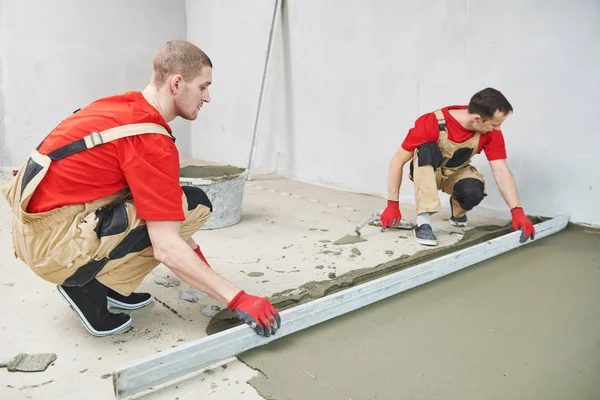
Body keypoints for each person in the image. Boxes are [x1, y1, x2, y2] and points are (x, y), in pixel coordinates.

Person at [1, 40, 280, 337]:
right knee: (195, 204)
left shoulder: (122, 106)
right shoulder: (150, 141)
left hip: (30, 232)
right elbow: (167, 246)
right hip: (52, 248)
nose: (207, 97)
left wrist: (204, 269)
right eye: (203, 86)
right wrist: (236, 297)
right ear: (176, 83)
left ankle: (105, 282)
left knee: (170, 204)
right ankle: (87, 290)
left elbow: (161, 208)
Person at [381, 87, 535, 246]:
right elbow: (397, 161)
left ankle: (457, 210)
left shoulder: (490, 132)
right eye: (495, 124)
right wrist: (392, 205)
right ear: (477, 119)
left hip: (456, 173)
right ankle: (423, 223)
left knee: (474, 190)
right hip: (427, 172)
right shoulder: (431, 122)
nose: (498, 129)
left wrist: (517, 211)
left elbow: (501, 170)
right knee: (426, 150)